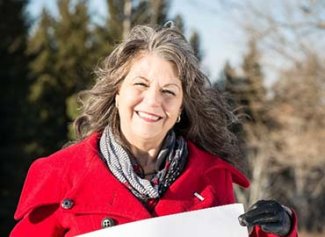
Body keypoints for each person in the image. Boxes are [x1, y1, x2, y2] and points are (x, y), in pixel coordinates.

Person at [10, 22, 298, 237]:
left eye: (168, 91)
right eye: (140, 85)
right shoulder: (63, 174)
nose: (153, 101)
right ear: (117, 93)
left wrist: (280, 229)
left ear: (181, 109)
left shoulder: (211, 177)